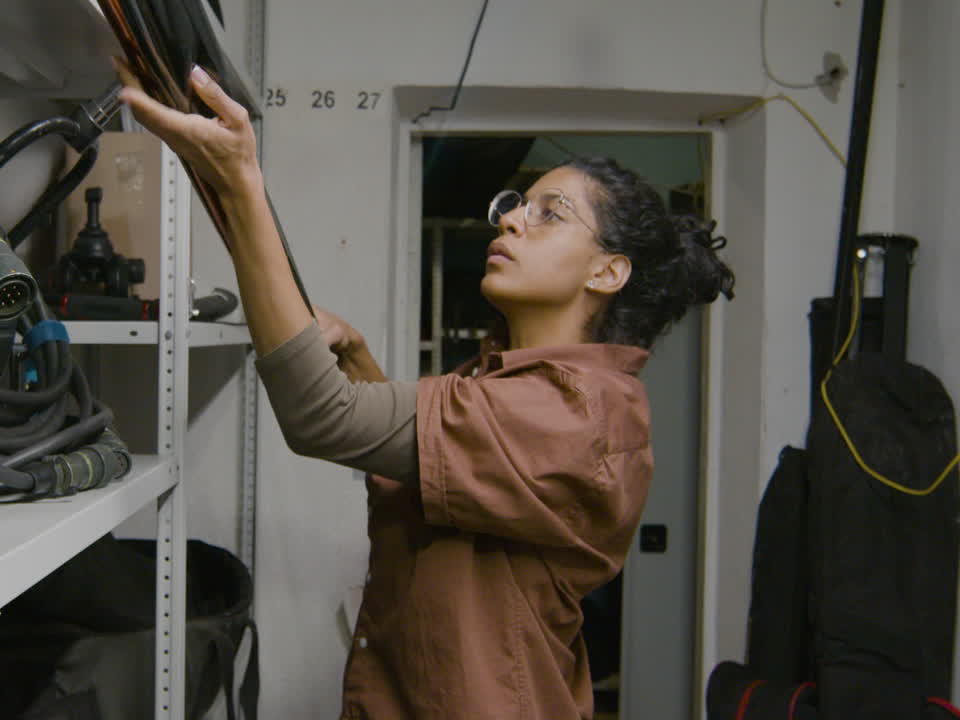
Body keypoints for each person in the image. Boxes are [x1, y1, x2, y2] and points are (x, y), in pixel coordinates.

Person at [115, 59, 735, 720]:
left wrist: (240, 183)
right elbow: (419, 469)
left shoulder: (573, 412)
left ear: (608, 272)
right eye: (516, 205)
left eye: (549, 215)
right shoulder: (507, 377)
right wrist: (357, 358)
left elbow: (323, 419)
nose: (512, 221)